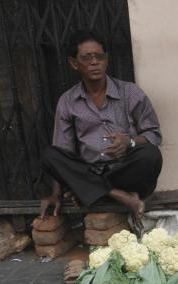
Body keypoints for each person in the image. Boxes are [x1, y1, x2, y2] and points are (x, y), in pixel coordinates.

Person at [38, 30, 163, 222]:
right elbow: (62, 152)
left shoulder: (130, 93)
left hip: (125, 172)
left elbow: (154, 134)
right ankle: (120, 196)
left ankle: (89, 191)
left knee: (151, 154)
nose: (94, 62)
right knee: (50, 155)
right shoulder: (68, 101)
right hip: (89, 170)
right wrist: (55, 194)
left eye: (99, 57)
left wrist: (129, 142)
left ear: (107, 60)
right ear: (73, 63)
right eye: (87, 58)